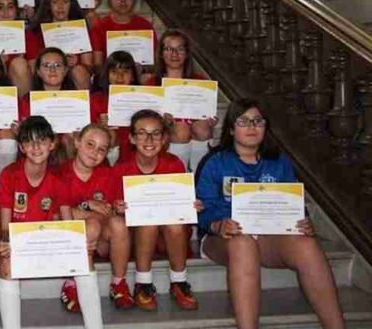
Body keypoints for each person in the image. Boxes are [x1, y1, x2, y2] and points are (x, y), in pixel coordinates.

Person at [196, 98, 346, 329]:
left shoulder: (279, 162)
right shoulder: (214, 162)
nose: (252, 126)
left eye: (258, 121)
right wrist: (217, 225)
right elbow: (200, 213)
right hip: (223, 239)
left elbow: (293, 202)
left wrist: (302, 221)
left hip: (269, 237)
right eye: (243, 121)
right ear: (230, 129)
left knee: (306, 244)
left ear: (266, 127)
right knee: (242, 243)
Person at [0, 116, 103, 329]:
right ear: (21, 147)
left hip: (49, 240)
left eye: (42, 141)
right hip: (21, 242)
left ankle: (96, 326)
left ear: (52, 144)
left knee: (85, 258)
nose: (36, 147)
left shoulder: (58, 179)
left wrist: (77, 244)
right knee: (7, 265)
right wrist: (5, 242)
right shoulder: (9, 175)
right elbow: (5, 222)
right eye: (29, 141)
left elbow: (66, 220)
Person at [113, 109, 202, 311]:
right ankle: (142, 283)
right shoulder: (122, 168)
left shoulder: (174, 163)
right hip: (141, 236)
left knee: (175, 223)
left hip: (171, 235)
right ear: (132, 138)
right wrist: (118, 207)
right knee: (147, 221)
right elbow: (115, 206)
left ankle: (179, 281)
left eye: (156, 133)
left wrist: (192, 205)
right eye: (142, 133)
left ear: (164, 139)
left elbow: (182, 202)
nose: (149, 139)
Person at [56, 123, 131, 313]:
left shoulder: (109, 174)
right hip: (68, 240)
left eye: (102, 149)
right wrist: (88, 206)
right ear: (77, 142)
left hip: (101, 242)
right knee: (89, 225)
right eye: (90, 144)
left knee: (118, 224)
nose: (95, 152)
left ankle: (118, 283)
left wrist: (119, 208)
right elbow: (56, 214)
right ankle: (72, 281)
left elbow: (111, 212)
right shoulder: (59, 173)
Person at [145, 29, 216, 171]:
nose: (174, 54)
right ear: (161, 53)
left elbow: (207, 111)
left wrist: (211, 119)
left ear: (187, 53)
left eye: (180, 49)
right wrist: (162, 121)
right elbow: (146, 117)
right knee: (181, 129)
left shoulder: (199, 81)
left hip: (194, 126)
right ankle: (179, 172)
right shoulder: (152, 83)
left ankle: (199, 174)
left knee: (202, 127)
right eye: (169, 49)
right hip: (165, 129)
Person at [26, 0, 94, 90]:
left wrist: (76, 62)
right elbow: (33, 67)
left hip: (73, 76)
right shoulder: (35, 32)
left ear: (71, 4)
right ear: (48, 5)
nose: (60, 6)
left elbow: (89, 66)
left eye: (65, 1)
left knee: (79, 71)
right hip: (46, 77)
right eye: (55, 1)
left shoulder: (81, 29)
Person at [91, 0, 156, 68]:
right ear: (110, 0)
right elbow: (98, 65)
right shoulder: (99, 26)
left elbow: (154, 63)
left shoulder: (145, 26)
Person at [91, 50, 142, 164]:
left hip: (133, 143)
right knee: (109, 134)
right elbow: (88, 129)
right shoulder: (97, 99)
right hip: (108, 146)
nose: (119, 76)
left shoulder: (141, 98)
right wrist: (99, 125)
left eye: (125, 71)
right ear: (107, 75)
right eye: (114, 71)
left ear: (133, 76)